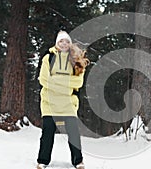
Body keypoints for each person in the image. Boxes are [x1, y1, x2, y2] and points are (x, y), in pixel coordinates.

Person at [37, 31, 89, 169]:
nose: (64, 44)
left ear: (70, 44)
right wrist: (66, 83)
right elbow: (43, 79)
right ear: (56, 43)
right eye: (61, 41)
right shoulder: (48, 58)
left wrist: (55, 81)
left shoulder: (75, 60)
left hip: (68, 103)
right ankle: (42, 160)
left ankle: (78, 161)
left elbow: (78, 83)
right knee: (48, 132)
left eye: (67, 41)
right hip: (49, 103)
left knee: (73, 133)